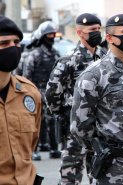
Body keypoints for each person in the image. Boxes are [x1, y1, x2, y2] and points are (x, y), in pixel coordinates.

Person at [71, 14, 123, 185]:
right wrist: (103, 150)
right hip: (113, 165)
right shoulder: (93, 75)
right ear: (110, 38)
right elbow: (80, 126)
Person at [45, 13, 105, 185]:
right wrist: (63, 113)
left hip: (99, 128)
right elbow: (52, 93)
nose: (97, 33)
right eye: (92, 30)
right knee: (70, 177)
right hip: (74, 130)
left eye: (99, 29)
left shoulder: (103, 58)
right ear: (80, 33)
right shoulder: (68, 60)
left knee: (100, 175)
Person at [0, 15, 42, 185]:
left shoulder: (29, 93)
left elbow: (30, 146)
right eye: (4, 43)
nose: (13, 48)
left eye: (16, 43)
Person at [23, 21, 61, 160]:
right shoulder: (34, 54)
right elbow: (27, 76)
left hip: (52, 92)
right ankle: (35, 149)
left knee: (53, 120)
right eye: (49, 34)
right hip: (36, 91)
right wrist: (29, 94)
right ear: (43, 36)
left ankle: (54, 148)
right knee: (37, 121)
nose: (51, 37)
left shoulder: (56, 54)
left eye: (53, 34)